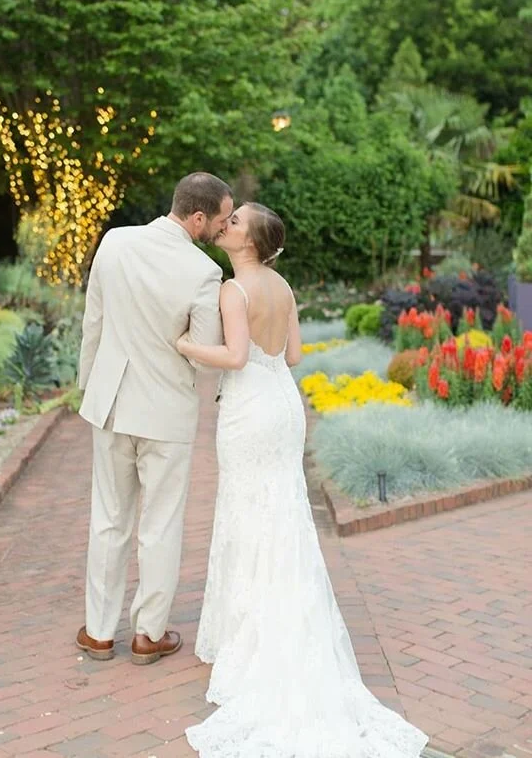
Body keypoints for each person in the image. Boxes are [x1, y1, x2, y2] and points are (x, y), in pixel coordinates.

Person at [176, 202, 429, 757]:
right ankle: (286, 621)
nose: (228, 225)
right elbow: (291, 355)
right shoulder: (284, 286)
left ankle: (250, 638)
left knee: (247, 510)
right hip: (283, 408)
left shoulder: (232, 290)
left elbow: (235, 357)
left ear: (250, 243)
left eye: (236, 222)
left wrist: (186, 346)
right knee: (282, 512)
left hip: (248, 410)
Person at [76, 172, 233, 665]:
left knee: (109, 519)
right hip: (166, 410)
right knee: (160, 524)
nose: (224, 230)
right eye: (222, 220)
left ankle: (99, 633)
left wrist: (90, 385)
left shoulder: (115, 242)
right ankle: (149, 634)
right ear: (199, 216)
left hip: (112, 402)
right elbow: (205, 353)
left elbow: (93, 322)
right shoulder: (204, 272)